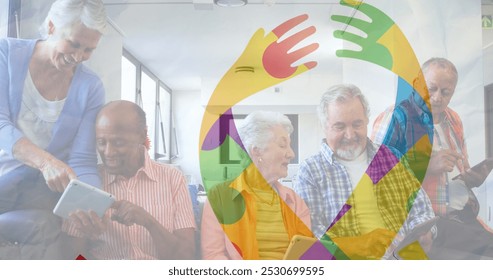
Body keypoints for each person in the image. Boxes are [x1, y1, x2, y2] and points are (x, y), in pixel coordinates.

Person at [0, 0, 106, 259]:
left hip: (35, 194)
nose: (78, 56)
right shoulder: (5, 54)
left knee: (47, 229)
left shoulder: (91, 87)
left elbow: (82, 160)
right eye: (73, 44)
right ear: (51, 26)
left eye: (89, 49)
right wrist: (46, 163)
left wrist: (92, 207)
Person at [294, 84, 436, 260]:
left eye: (357, 124)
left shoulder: (390, 157)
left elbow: (420, 207)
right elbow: (311, 237)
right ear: (324, 127)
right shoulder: (310, 172)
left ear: (367, 121)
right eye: (340, 127)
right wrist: (363, 243)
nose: (350, 134)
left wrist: (423, 233)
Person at [372, 57, 493, 259]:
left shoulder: (453, 118)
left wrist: (470, 177)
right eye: (431, 88)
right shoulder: (396, 118)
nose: (437, 97)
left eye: (446, 92)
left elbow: (460, 166)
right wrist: (427, 167)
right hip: (426, 228)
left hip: (462, 216)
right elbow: (376, 178)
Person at [64, 100, 196, 260]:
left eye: (118, 142)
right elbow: (73, 256)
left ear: (142, 135)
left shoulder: (172, 178)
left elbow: (185, 257)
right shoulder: (86, 182)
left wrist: (149, 222)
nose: (108, 152)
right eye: (101, 142)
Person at [201, 111, 313, 260]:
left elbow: (306, 256)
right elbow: (213, 256)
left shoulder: (295, 201)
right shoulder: (219, 197)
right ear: (257, 151)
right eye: (282, 145)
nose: (291, 154)